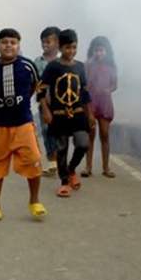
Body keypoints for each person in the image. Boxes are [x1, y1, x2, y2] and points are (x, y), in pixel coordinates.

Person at [0, 28, 46, 221]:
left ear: (18, 46)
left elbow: (34, 85)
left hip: (24, 124)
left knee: (34, 161)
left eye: (13, 42)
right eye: (5, 42)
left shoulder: (28, 66)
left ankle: (34, 201)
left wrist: (25, 98)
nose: (9, 45)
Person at [39, 29, 91, 198]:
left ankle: (71, 169)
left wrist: (90, 114)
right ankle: (64, 182)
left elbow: (84, 92)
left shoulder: (80, 67)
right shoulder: (53, 67)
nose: (71, 51)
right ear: (60, 48)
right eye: (67, 48)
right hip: (59, 115)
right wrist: (46, 111)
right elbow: (41, 89)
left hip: (77, 114)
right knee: (61, 149)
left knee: (83, 143)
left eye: (74, 47)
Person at [83, 35, 118, 178]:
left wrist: (109, 90)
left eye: (101, 50)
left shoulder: (112, 66)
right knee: (90, 135)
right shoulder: (87, 65)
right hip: (91, 102)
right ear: (92, 51)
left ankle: (106, 167)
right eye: (96, 51)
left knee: (104, 135)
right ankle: (88, 167)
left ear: (107, 51)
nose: (99, 53)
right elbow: (84, 84)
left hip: (105, 103)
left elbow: (115, 84)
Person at [33, 26, 60, 176]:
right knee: (46, 131)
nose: (45, 45)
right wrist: (43, 99)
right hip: (44, 103)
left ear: (57, 43)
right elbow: (37, 83)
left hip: (62, 103)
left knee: (60, 133)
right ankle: (52, 161)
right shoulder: (38, 61)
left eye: (48, 41)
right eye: (43, 42)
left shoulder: (63, 61)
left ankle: (59, 162)